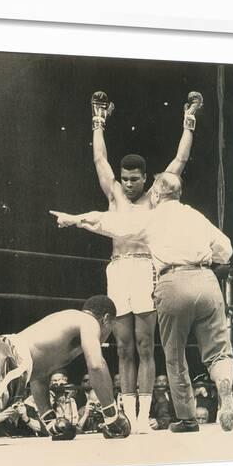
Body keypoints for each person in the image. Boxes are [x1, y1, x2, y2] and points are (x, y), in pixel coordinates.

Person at [49, 172, 233, 433]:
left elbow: (109, 223)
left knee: (174, 356)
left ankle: (187, 418)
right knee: (218, 351)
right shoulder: (196, 216)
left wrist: (75, 220)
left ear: (157, 194)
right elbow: (226, 249)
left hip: (173, 280)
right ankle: (225, 384)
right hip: (206, 279)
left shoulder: (152, 218)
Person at [89, 90, 203, 433]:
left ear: (145, 178)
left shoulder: (156, 195)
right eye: (123, 179)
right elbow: (99, 159)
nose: (127, 184)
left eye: (133, 179)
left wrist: (189, 120)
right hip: (118, 270)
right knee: (123, 347)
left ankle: (142, 418)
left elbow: (179, 162)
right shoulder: (114, 194)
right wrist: (98, 122)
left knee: (144, 344)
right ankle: (126, 415)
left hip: (144, 268)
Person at [0, 295, 130, 439]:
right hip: (7, 359)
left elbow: (39, 375)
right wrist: (112, 416)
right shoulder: (89, 322)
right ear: (106, 319)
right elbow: (97, 365)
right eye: (111, 329)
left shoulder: (68, 324)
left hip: (1, 351)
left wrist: (50, 420)